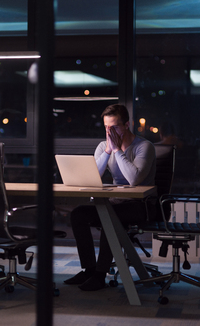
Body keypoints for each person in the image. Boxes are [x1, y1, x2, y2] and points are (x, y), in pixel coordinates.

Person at [64, 104, 156, 291]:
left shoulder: (144, 146)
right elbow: (93, 177)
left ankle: (100, 275)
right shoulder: (102, 146)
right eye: (106, 127)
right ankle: (89, 269)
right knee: (78, 215)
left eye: (114, 127)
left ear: (127, 125)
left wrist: (117, 151)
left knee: (110, 215)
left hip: (141, 206)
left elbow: (133, 180)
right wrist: (107, 151)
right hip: (116, 202)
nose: (109, 131)